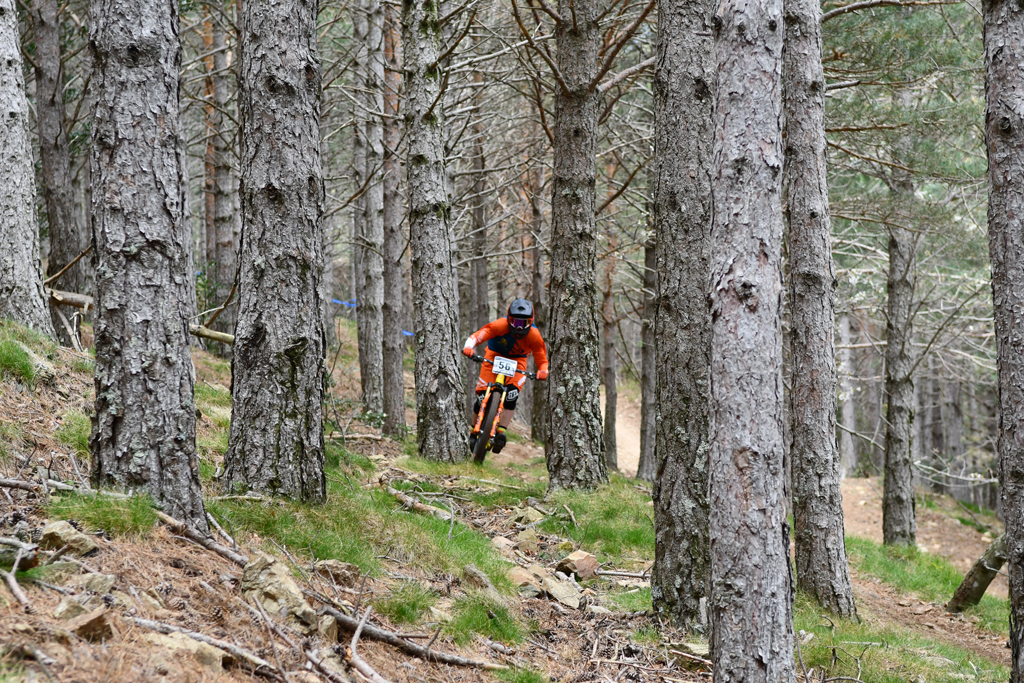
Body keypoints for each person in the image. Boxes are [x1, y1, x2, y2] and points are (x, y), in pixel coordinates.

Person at [462, 298, 548, 453]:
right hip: (493, 356)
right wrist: (469, 347)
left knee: (511, 395)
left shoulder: (534, 335)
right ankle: (473, 431)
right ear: (508, 319)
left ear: (531, 322)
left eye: (524, 323)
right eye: (515, 322)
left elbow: (542, 359)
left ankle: (501, 432)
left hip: (518, 361)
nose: (519, 327)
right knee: (481, 397)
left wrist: (543, 371)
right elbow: (479, 335)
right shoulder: (500, 325)